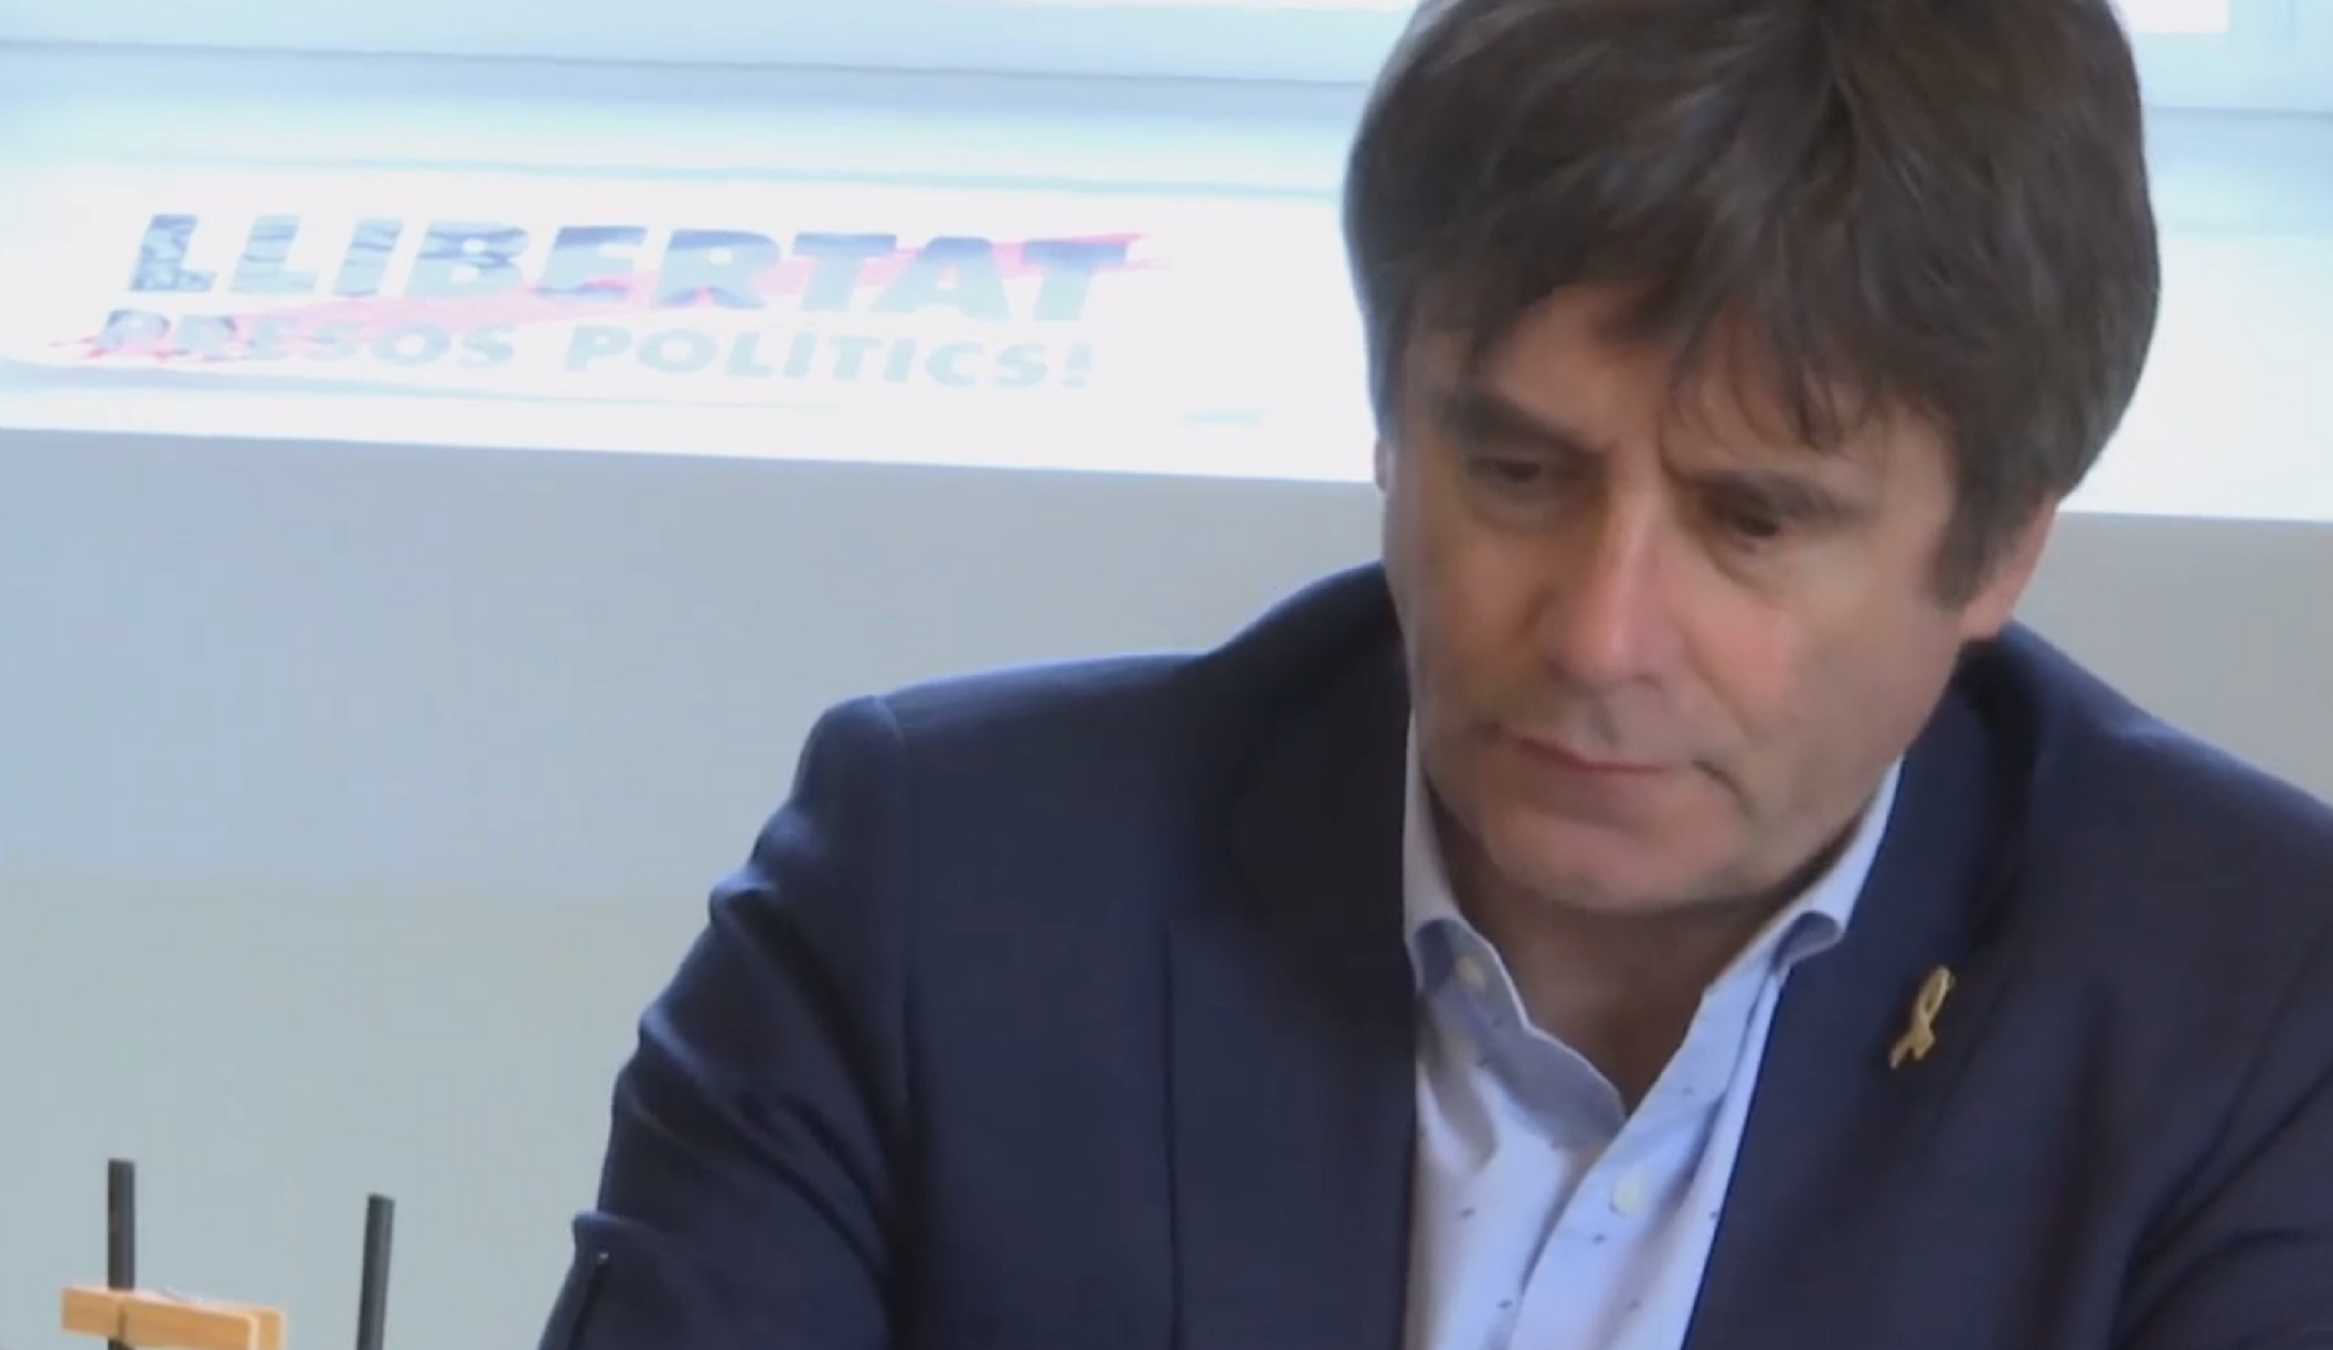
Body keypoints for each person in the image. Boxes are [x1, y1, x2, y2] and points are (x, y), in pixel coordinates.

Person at [535, 0, 2333, 1345]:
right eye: (1520, 471)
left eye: (1752, 523)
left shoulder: (2249, 1012)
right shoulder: (938, 899)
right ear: (1393, 427)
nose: (1599, 634)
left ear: (2004, 542)